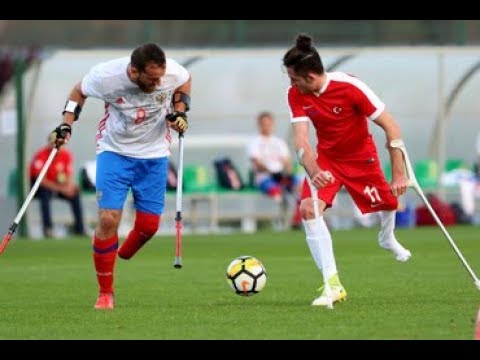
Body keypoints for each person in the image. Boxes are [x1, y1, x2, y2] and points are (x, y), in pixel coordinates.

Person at [49, 43, 191, 310]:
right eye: (151, 79)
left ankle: (121, 253)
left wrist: (180, 111)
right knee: (107, 219)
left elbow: (184, 83)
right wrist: (66, 124)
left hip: (154, 156)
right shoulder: (105, 77)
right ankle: (105, 292)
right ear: (134, 71)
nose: (158, 82)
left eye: (160, 77)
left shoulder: (172, 71)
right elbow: (78, 91)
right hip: (114, 152)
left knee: (149, 227)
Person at [283, 34, 411, 307]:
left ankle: (387, 238)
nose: (291, 84)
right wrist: (314, 169)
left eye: (294, 78)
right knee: (308, 208)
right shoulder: (295, 94)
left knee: (389, 202)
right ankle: (333, 285)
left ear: (311, 76)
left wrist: (399, 173)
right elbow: (302, 140)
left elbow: (391, 127)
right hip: (327, 160)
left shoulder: (351, 87)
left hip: (360, 157)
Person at [246, 111, 303, 228]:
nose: (266, 126)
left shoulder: (279, 142)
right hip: (264, 178)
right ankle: (277, 222)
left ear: (272, 124)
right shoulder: (254, 142)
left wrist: (287, 174)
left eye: (268, 123)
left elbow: (287, 162)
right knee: (277, 192)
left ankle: (296, 221)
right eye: (264, 123)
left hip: (281, 176)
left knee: (301, 187)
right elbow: (257, 163)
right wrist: (272, 173)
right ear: (259, 124)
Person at [29, 140, 86, 238]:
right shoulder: (40, 155)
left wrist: (68, 187)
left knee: (75, 193)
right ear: (49, 143)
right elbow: (41, 180)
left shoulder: (66, 155)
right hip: (42, 187)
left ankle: (80, 229)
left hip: (59, 186)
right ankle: (48, 229)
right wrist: (60, 189)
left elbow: (68, 176)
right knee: (45, 195)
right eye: (54, 143)